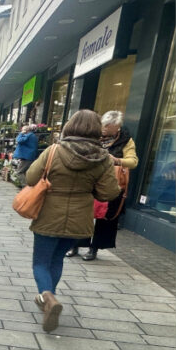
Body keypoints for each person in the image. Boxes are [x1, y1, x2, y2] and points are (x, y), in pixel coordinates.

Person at [24, 110, 120, 332]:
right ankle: (50, 299)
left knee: (40, 262)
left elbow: (30, 177)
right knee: (57, 259)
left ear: (70, 126)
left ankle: (47, 297)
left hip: (49, 214)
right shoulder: (103, 158)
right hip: (79, 219)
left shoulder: (53, 151)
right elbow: (108, 193)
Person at [66, 110, 139, 260]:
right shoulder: (93, 135)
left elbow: (133, 161)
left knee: (106, 216)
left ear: (117, 127)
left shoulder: (126, 140)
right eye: (104, 125)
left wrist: (117, 160)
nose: (105, 129)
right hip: (89, 180)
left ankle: (95, 248)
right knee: (82, 213)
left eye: (109, 127)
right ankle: (75, 245)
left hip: (110, 180)